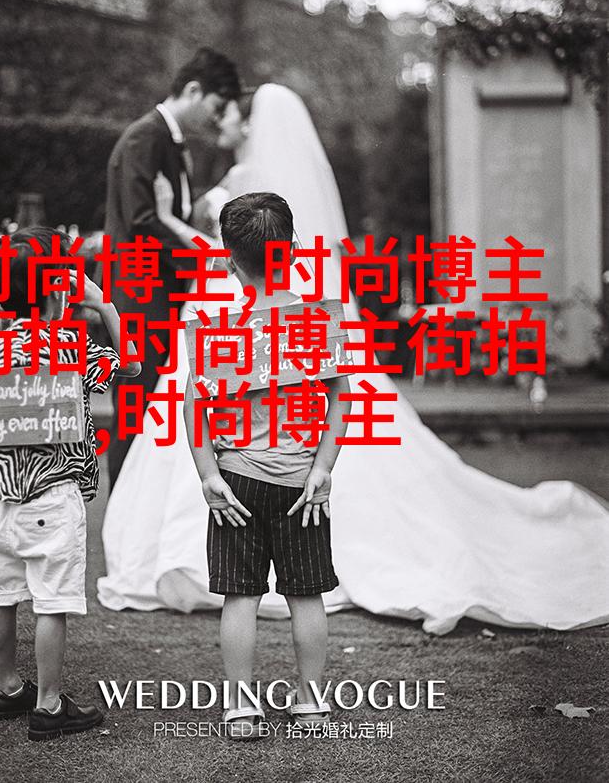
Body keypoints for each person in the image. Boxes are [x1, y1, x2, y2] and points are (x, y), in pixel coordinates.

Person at [98, 84, 609, 636]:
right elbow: (339, 389)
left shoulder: (239, 195)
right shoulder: (298, 260)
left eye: (226, 114)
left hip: (238, 384)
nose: (219, 122)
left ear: (248, 123)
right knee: (304, 565)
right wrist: (321, 463)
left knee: (239, 550)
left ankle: (232, 637)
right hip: (298, 422)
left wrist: (177, 219)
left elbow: (197, 395)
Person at [182, 192, 348, 738]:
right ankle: (311, 703)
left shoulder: (219, 331)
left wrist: (209, 475)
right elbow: (340, 397)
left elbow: (193, 407)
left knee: (241, 596)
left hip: (237, 482)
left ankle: (239, 706)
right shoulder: (318, 319)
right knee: (306, 594)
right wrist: (323, 467)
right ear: (294, 251)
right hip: (303, 483)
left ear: (230, 261)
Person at [0, 226, 141, 741]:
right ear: (60, 289)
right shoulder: (68, 346)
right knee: (52, 600)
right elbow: (132, 365)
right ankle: (49, 706)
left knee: (4, 591)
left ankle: (6, 688)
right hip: (54, 494)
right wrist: (104, 305)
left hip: (5, 495)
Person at [104, 47, 240, 487]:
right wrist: (208, 261)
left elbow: (170, 219)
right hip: (141, 297)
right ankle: (121, 511)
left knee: (155, 411)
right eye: (216, 106)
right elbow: (143, 221)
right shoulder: (145, 138)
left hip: (163, 295)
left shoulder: (169, 141)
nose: (217, 118)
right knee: (136, 409)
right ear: (194, 90)